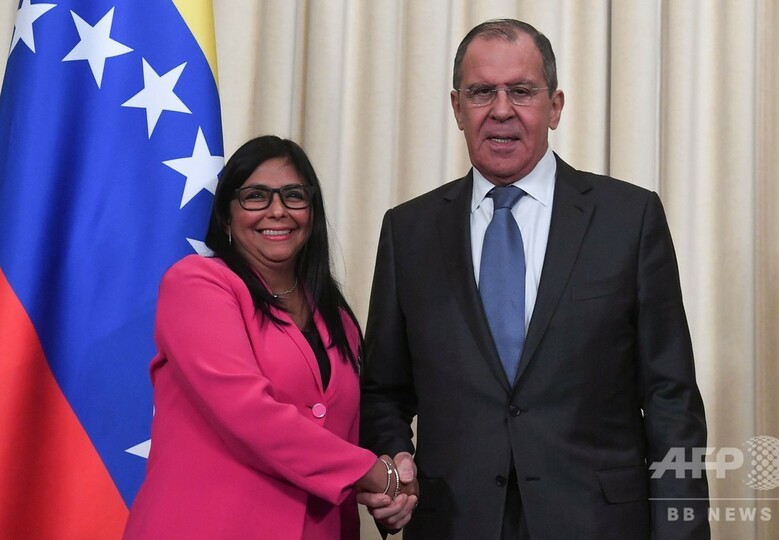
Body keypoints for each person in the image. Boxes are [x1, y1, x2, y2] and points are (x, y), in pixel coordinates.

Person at [360, 19, 710, 539]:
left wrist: (682, 529)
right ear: (457, 108)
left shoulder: (628, 219)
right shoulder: (408, 231)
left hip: (598, 524)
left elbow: (671, 399)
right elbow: (382, 392)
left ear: (556, 106)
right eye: (482, 92)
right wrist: (394, 468)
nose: (501, 109)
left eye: (521, 91)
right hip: (454, 522)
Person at [124, 135, 415, 540]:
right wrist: (373, 473)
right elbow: (248, 413)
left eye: (294, 196)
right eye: (255, 196)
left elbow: (354, 426)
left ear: (311, 213)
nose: (277, 210)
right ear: (226, 217)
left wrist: (394, 490)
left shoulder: (338, 319)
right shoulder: (196, 284)